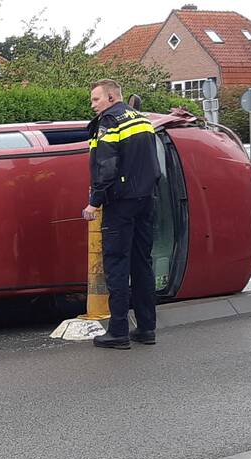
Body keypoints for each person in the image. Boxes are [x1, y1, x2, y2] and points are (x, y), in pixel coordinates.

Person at [81, 79, 161, 350]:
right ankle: (147, 328)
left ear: (111, 97)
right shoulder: (142, 120)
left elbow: (106, 166)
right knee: (142, 263)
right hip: (146, 199)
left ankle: (118, 331)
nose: (93, 105)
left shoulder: (110, 122)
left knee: (116, 264)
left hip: (121, 203)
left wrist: (94, 203)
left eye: (96, 99)